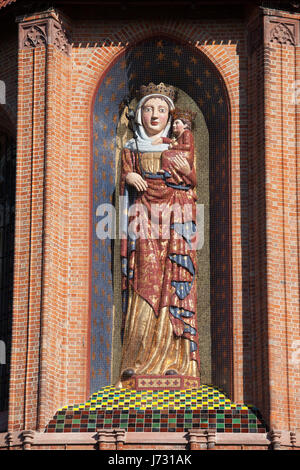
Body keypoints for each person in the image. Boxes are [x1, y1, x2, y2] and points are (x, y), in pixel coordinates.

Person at [116, 83, 200, 387]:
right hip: (143, 224)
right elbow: (123, 182)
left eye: (162, 109)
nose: (155, 114)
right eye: (149, 108)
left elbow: (191, 185)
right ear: (140, 114)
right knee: (143, 285)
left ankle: (175, 363)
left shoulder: (178, 147)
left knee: (171, 284)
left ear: (170, 116)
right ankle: (135, 362)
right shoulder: (131, 149)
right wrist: (128, 176)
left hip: (173, 224)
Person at [152, 107, 197, 188]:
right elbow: (172, 141)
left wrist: (174, 146)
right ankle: (170, 174)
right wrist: (163, 139)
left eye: (177, 123)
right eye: (173, 123)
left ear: (185, 125)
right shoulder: (179, 136)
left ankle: (167, 172)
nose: (173, 125)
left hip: (186, 156)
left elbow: (187, 146)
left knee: (166, 153)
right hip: (182, 155)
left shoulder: (187, 133)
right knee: (167, 154)